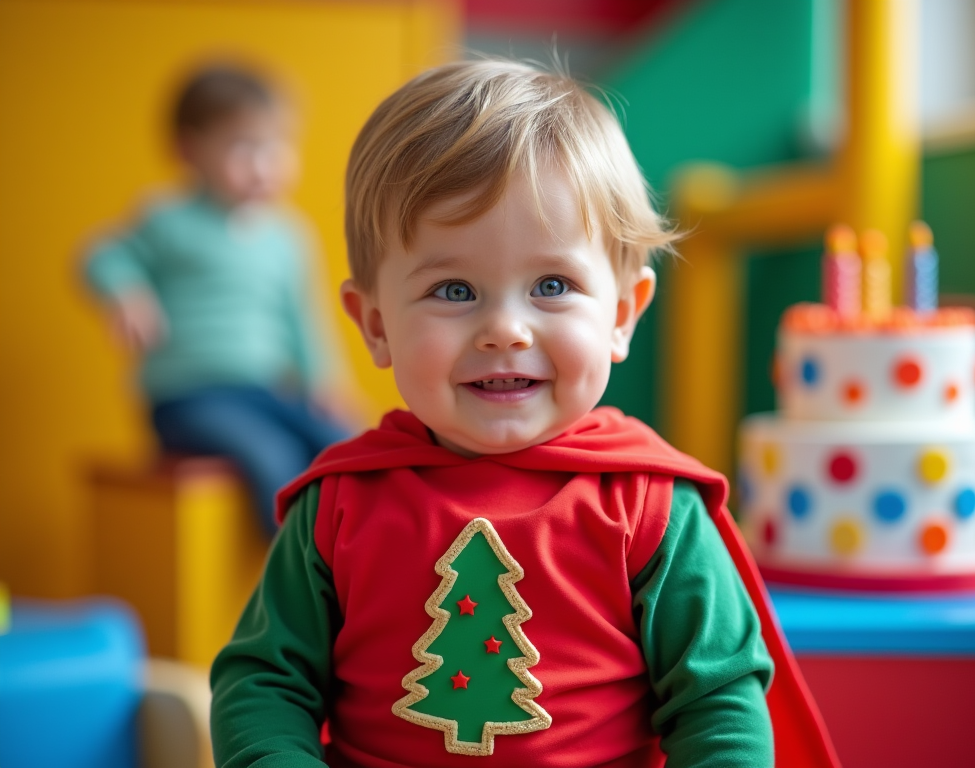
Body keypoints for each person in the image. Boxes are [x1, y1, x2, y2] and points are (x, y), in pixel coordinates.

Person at [210, 60, 839, 767]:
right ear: (377, 325)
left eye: (551, 284)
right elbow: (264, 684)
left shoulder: (651, 507)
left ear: (622, 315)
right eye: (453, 289)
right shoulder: (339, 506)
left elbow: (718, 704)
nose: (504, 329)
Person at [83, 64, 352, 537]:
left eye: (277, 147)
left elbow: (302, 319)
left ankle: (365, 554)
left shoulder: (287, 237)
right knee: (272, 457)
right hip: (188, 399)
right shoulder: (167, 217)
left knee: (346, 446)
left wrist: (324, 382)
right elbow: (102, 255)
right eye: (243, 147)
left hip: (266, 392)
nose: (263, 165)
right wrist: (126, 292)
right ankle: (300, 575)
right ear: (189, 149)